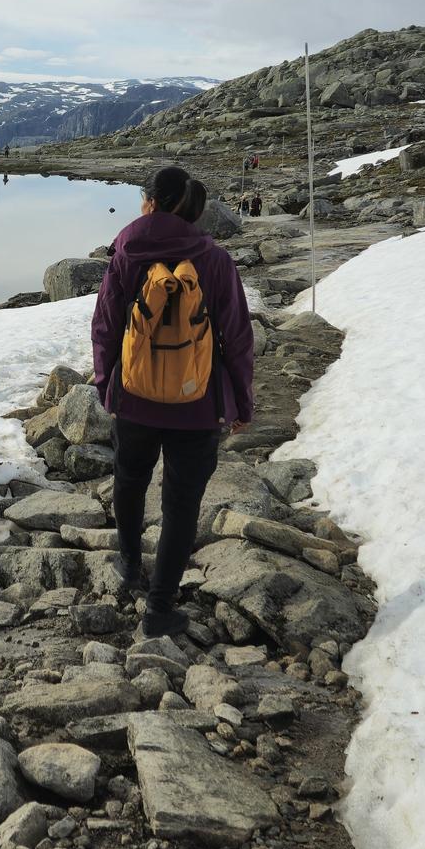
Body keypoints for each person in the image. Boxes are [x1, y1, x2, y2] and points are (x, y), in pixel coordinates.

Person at [90, 164, 256, 638]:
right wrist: (241, 403)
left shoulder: (124, 253)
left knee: (130, 476)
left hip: (135, 397)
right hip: (197, 404)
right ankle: (159, 608)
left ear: (152, 203)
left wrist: (108, 385)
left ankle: (128, 561)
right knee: (182, 505)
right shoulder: (215, 260)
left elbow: (105, 326)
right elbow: (237, 339)